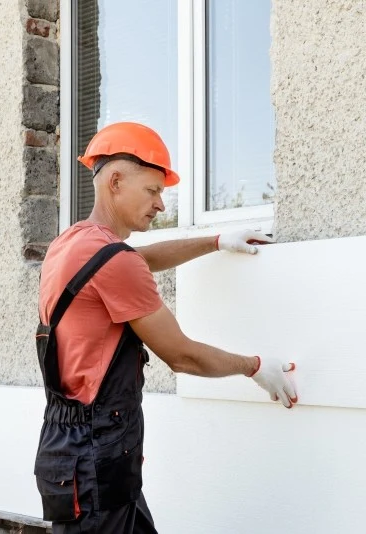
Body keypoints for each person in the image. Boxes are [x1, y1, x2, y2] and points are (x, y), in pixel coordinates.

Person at [33, 121, 297, 533]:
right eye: (152, 190)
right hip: (96, 460)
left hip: (73, 449)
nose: (160, 204)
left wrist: (215, 241)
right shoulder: (113, 261)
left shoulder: (72, 243)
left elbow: (140, 258)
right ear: (116, 182)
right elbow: (182, 356)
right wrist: (256, 367)